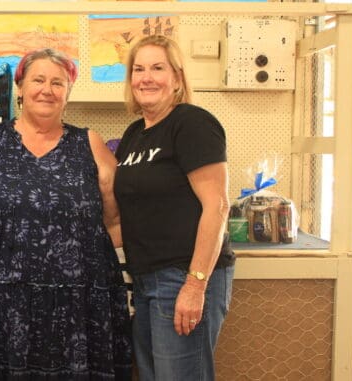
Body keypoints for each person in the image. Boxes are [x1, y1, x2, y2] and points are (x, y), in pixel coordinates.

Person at [0, 48, 132, 380]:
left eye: (57, 82)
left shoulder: (88, 143)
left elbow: (116, 220)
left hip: (73, 306)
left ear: (68, 93)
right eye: (38, 79)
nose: (46, 89)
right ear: (19, 87)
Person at [113, 35, 236, 381]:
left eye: (157, 68)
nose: (146, 77)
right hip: (145, 279)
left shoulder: (192, 123)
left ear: (178, 78)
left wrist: (195, 285)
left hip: (183, 276)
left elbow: (218, 205)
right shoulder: (134, 134)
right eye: (138, 69)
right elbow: (135, 213)